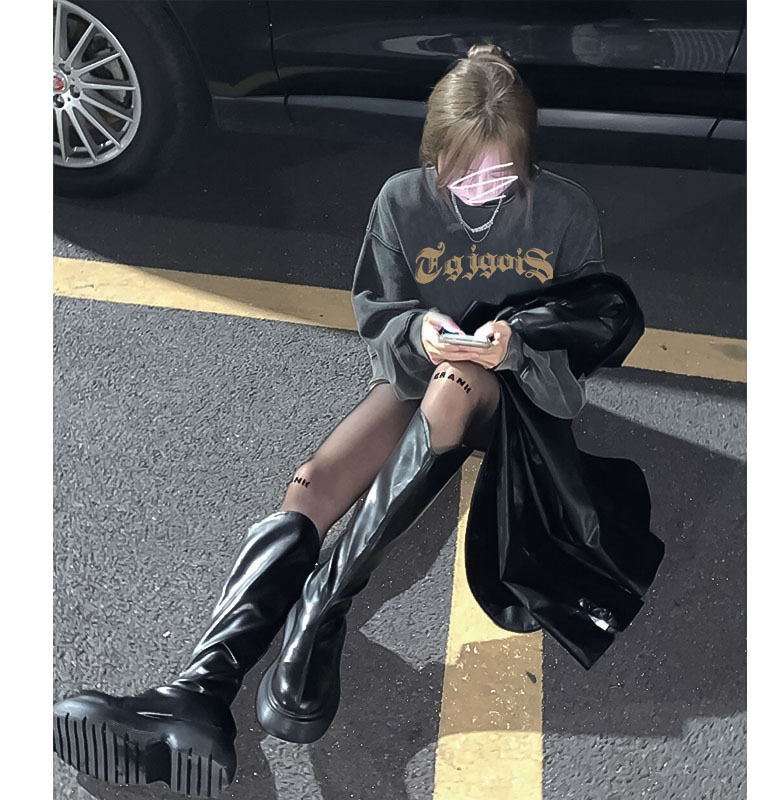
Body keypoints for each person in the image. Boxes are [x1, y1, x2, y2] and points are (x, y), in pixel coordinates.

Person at [53, 42, 606, 797]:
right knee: (312, 485)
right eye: (462, 171)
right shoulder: (402, 202)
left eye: (501, 171)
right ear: (434, 154)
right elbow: (379, 317)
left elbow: (585, 343)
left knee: (456, 385)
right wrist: (417, 331)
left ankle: (324, 603)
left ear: (527, 157)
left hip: (518, 399)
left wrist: (514, 350)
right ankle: (198, 692)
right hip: (427, 375)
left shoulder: (567, 212)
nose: (481, 188)